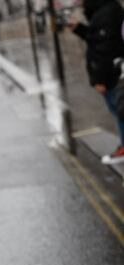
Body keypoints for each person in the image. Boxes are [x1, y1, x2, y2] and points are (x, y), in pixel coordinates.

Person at [69, 0, 124, 164]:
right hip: (113, 72)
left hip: (111, 75)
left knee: (120, 111)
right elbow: (97, 40)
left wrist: (100, 79)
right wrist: (80, 29)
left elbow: (105, 49)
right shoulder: (103, 11)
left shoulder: (107, 12)